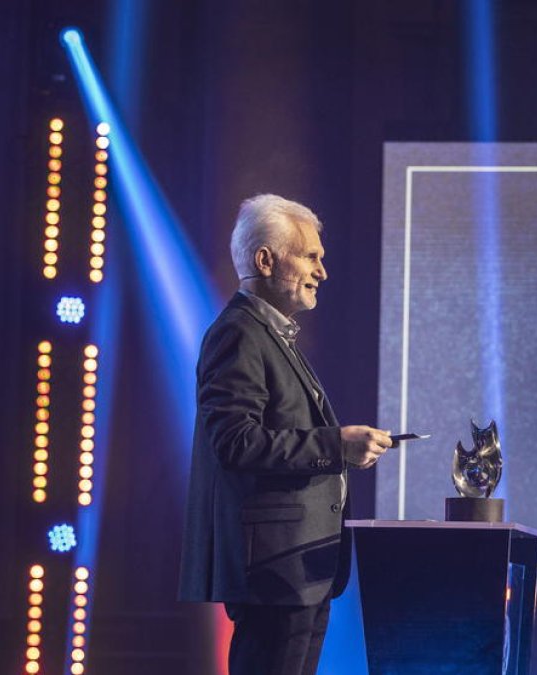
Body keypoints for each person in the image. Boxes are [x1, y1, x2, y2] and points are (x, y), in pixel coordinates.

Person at [179, 194, 392, 674]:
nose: (323, 272)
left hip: (300, 566)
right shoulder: (239, 333)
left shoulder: (271, 334)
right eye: (311, 256)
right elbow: (234, 442)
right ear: (265, 259)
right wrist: (337, 446)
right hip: (274, 569)